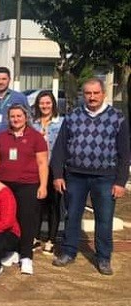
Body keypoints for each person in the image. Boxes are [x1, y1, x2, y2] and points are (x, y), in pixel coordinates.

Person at [51, 78, 130, 275]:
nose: (92, 97)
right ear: (83, 95)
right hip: (75, 176)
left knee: (104, 219)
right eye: (88, 93)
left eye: (96, 93)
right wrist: (58, 175)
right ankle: (68, 252)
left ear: (103, 94)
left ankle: (103, 257)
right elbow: (60, 148)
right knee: (72, 216)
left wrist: (121, 182)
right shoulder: (72, 116)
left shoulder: (117, 117)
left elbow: (125, 153)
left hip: (105, 178)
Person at [0, 104, 48, 275]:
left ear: (26, 117)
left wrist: (43, 185)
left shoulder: (36, 137)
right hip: (4, 185)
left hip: (28, 184)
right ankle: (12, 250)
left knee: (26, 221)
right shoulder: (1, 137)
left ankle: (26, 257)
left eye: (19, 116)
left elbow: (42, 163)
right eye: (13, 116)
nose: (16, 119)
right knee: (8, 220)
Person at [31, 90, 64, 254]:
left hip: (54, 169)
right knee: (37, 204)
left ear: (53, 104)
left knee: (54, 205)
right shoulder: (32, 123)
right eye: (41, 103)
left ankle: (51, 239)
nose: (44, 106)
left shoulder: (61, 122)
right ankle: (35, 237)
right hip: (36, 169)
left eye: (48, 103)